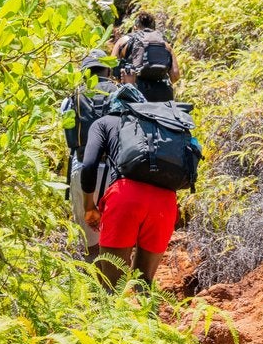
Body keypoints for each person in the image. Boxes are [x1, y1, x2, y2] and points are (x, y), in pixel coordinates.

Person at [80, 89, 190, 288]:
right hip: (165, 202)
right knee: (144, 283)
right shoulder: (159, 124)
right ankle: (147, 308)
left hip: (125, 196)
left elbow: (88, 166)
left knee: (112, 288)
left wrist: (89, 206)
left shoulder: (103, 123)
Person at [60, 49, 118, 260]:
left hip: (82, 168)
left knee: (89, 242)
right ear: (108, 71)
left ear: (84, 74)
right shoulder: (120, 93)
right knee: (115, 240)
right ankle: (115, 278)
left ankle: (92, 277)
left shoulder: (71, 99)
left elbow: (68, 134)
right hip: (115, 173)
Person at [112, 12, 180, 102]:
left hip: (134, 93)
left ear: (135, 27)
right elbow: (175, 75)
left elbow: (111, 67)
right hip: (162, 94)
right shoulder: (165, 45)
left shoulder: (124, 41)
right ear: (154, 28)